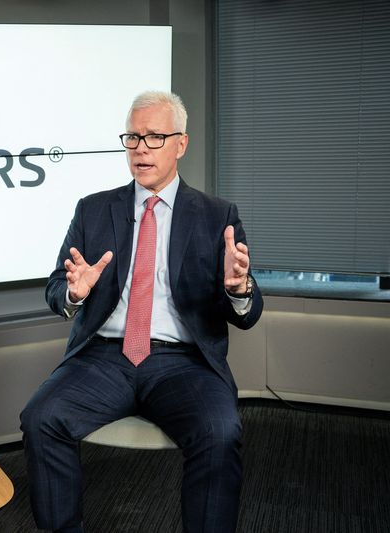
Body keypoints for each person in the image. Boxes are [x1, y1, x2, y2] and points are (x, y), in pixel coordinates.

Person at [20, 91, 263, 533]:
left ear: (181, 144)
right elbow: (57, 288)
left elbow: (248, 313)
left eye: (154, 137)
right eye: (133, 137)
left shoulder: (216, 215)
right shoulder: (93, 210)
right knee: (41, 418)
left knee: (220, 432)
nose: (140, 148)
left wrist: (238, 287)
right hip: (104, 358)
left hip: (183, 363)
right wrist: (74, 294)